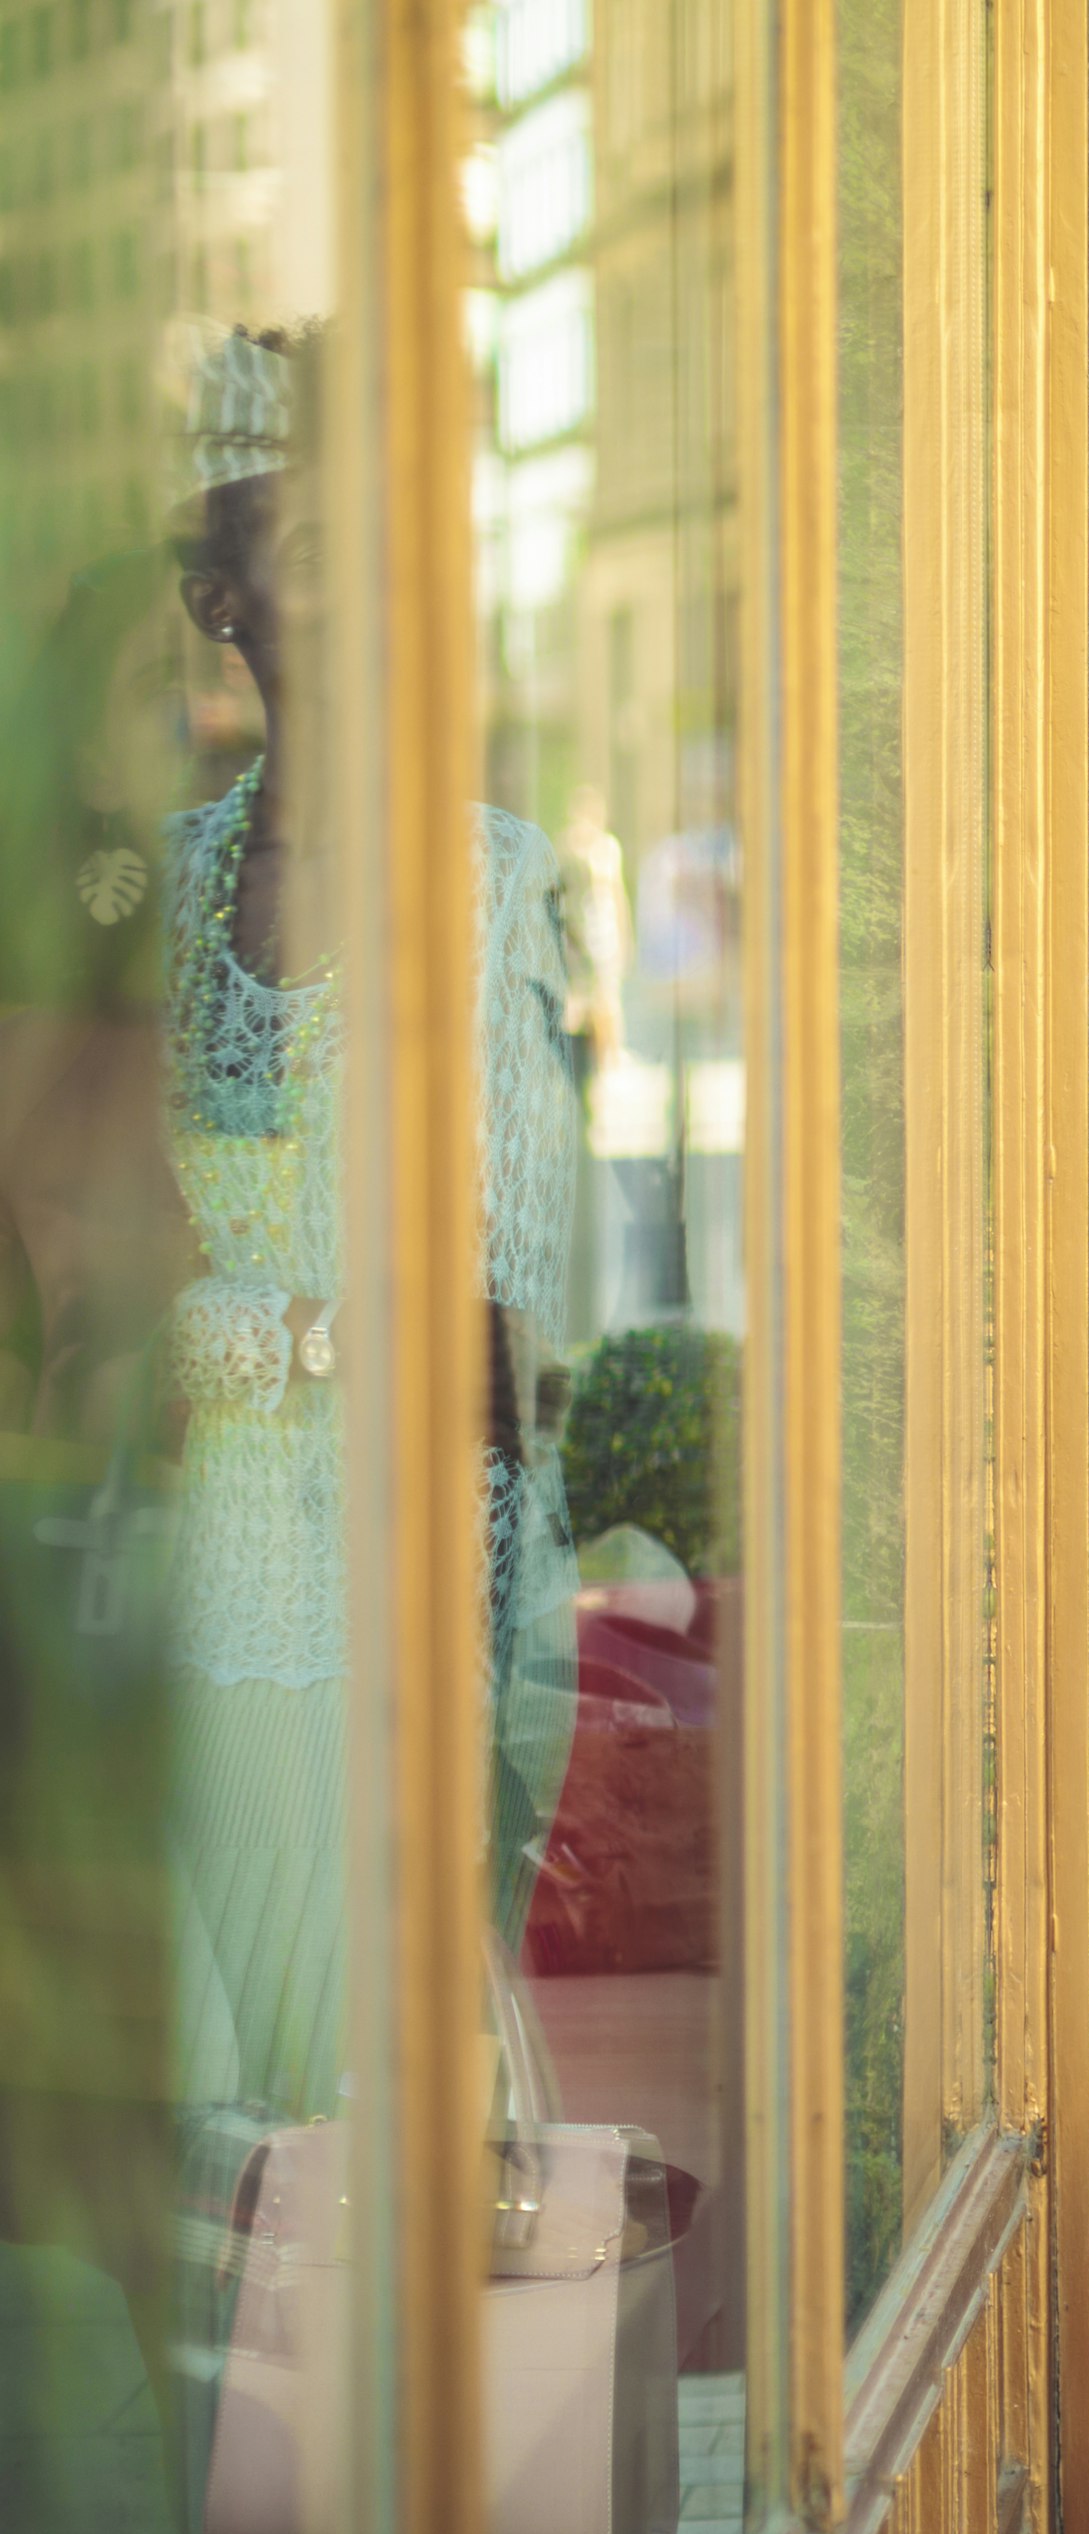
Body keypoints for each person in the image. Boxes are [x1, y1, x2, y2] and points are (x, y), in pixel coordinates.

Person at [158, 326, 583, 2121]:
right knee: (205, 2155)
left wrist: (471, 1713)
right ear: (216, 595)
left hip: (397, 1621)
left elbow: (500, 1344)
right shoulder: (166, 887)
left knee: (370, 2153)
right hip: (179, 1619)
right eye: (297, 521)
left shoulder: (483, 881)